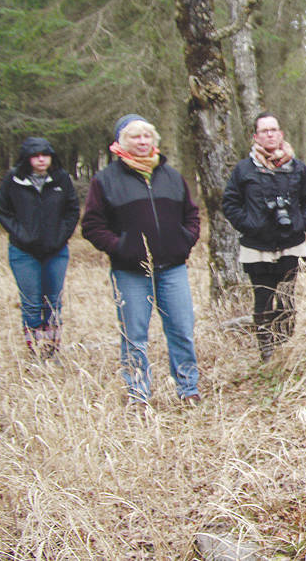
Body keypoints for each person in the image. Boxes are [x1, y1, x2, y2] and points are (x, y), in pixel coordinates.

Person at [82, 115, 201, 406]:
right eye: (135, 137)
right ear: (120, 143)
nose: (142, 142)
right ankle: (138, 394)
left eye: (147, 136)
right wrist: (120, 247)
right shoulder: (105, 181)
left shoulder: (171, 176)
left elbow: (192, 215)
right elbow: (92, 225)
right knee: (134, 335)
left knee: (182, 330)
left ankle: (188, 390)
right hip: (130, 273)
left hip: (173, 269)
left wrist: (184, 239)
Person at [222, 112, 306, 361]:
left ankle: (285, 344)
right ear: (255, 137)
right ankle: (266, 347)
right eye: (264, 131)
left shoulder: (297, 168)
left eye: (273, 130)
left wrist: (301, 224)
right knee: (263, 297)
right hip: (257, 245)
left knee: (287, 297)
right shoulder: (244, 169)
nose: (269, 134)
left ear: (281, 134)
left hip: (291, 244)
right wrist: (249, 224)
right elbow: (230, 202)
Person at [0, 137, 80, 359]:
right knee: (31, 301)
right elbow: (2, 210)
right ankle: (36, 352)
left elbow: (72, 211)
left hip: (56, 250)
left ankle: (52, 351)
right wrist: (21, 234)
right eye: (35, 155)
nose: (41, 159)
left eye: (45, 155)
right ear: (27, 158)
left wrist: (60, 236)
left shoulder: (61, 178)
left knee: (53, 301)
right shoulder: (13, 179)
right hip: (23, 251)